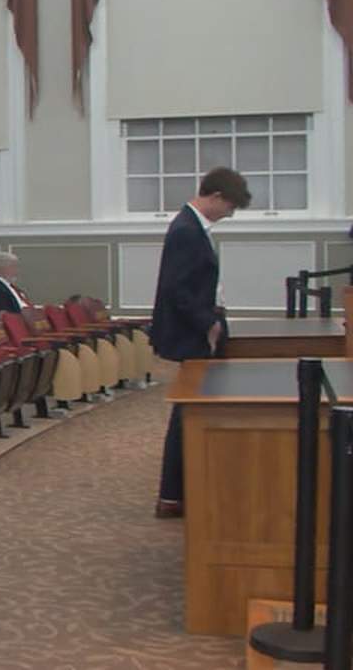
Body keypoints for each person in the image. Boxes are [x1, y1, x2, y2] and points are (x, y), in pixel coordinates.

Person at [154, 167, 251, 520]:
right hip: (193, 333)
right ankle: (172, 493)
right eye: (230, 207)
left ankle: (176, 492)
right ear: (216, 197)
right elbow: (175, 289)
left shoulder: (193, 227)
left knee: (190, 411)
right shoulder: (186, 230)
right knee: (187, 412)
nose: (230, 214)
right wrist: (207, 323)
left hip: (200, 326)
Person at [0, 252, 30, 317]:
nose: (17, 271)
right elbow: (5, 316)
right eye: (14, 266)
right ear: (3, 268)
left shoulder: (13, 288)